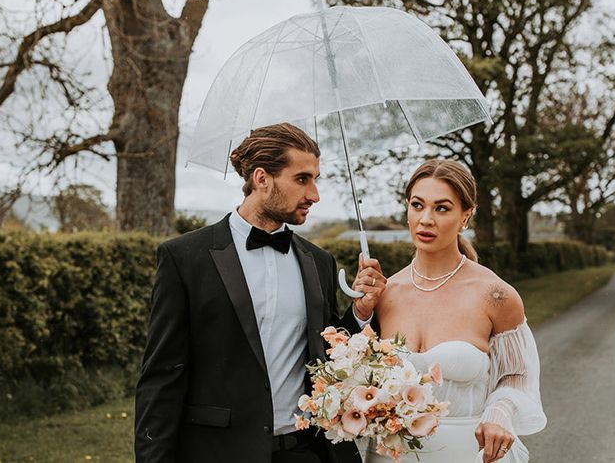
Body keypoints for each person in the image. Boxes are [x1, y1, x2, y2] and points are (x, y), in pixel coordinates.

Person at [135, 123, 386, 463]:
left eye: (315, 179)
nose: (314, 194)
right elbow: (163, 376)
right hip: (217, 453)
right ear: (262, 179)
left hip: (304, 451)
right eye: (302, 179)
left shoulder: (319, 261)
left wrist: (360, 313)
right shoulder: (184, 258)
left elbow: (330, 355)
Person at [362, 159, 546, 463]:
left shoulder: (495, 294)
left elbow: (516, 375)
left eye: (442, 208)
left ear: (466, 216)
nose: (426, 219)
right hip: (388, 455)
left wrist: (500, 410)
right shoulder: (383, 295)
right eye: (417, 205)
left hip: (463, 453)